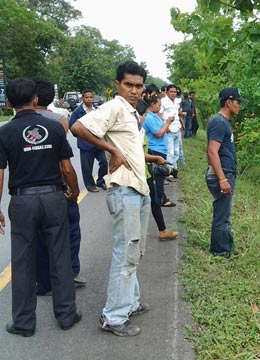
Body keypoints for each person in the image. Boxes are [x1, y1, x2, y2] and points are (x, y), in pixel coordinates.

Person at [71, 60, 151, 337]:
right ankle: (114, 317)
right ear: (118, 85)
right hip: (124, 190)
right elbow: (78, 127)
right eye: (128, 84)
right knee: (126, 253)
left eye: (138, 86)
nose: (134, 90)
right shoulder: (114, 106)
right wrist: (112, 152)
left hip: (139, 189)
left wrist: (146, 157)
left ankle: (131, 302)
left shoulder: (131, 113)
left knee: (136, 250)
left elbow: (130, 149)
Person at [0, 78, 82, 337]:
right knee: (60, 256)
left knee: (23, 262)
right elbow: (67, 168)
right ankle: (67, 315)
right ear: (36, 99)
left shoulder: (4, 133)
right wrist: (75, 192)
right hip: (53, 198)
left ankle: (24, 324)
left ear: (9, 102)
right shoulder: (55, 128)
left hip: (23, 201)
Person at [32, 76, 86, 293]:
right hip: (58, 187)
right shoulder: (59, 121)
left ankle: (42, 282)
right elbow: (64, 162)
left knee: (39, 237)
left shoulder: (15, 124)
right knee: (70, 230)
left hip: (28, 192)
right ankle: (70, 273)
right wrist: (73, 191)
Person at [206, 87, 247, 258]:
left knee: (224, 213)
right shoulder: (219, 122)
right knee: (222, 215)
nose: (239, 105)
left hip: (225, 173)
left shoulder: (224, 122)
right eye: (238, 102)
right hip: (222, 174)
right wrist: (222, 179)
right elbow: (212, 151)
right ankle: (220, 252)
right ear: (228, 102)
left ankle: (225, 247)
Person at [140, 95, 179, 240]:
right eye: (143, 115)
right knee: (147, 200)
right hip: (140, 169)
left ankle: (162, 230)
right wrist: (155, 158)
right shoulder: (147, 120)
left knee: (154, 198)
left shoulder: (150, 121)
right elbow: (158, 133)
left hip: (145, 170)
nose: (144, 117)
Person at [69, 89, 108, 192]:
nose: (89, 99)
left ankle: (101, 181)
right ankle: (90, 185)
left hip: (99, 143)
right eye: (87, 97)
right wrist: (81, 137)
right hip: (86, 144)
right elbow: (72, 127)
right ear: (83, 98)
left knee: (104, 161)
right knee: (87, 167)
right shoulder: (78, 112)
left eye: (91, 97)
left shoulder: (97, 110)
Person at [160, 84, 183, 173]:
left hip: (177, 128)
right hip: (168, 130)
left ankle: (174, 169)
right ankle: (169, 172)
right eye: (171, 92)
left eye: (175, 92)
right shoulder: (163, 101)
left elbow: (177, 113)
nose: (173, 94)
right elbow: (159, 114)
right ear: (167, 92)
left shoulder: (177, 101)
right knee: (170, 152)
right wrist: (165, 126)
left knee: (176, 151)